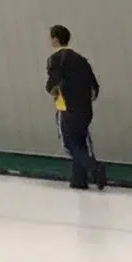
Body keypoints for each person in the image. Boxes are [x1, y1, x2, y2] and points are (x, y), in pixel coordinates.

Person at [45, 26, 108, 191]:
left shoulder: (56, 59)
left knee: (69, 144)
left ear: (55, 39)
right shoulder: (81, 59)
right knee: (80, 142)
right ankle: (79, 180)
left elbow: (53, 84)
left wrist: (54, 92)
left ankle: (94, 168)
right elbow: (94, 88)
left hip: (67, 108)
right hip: (85, 109)